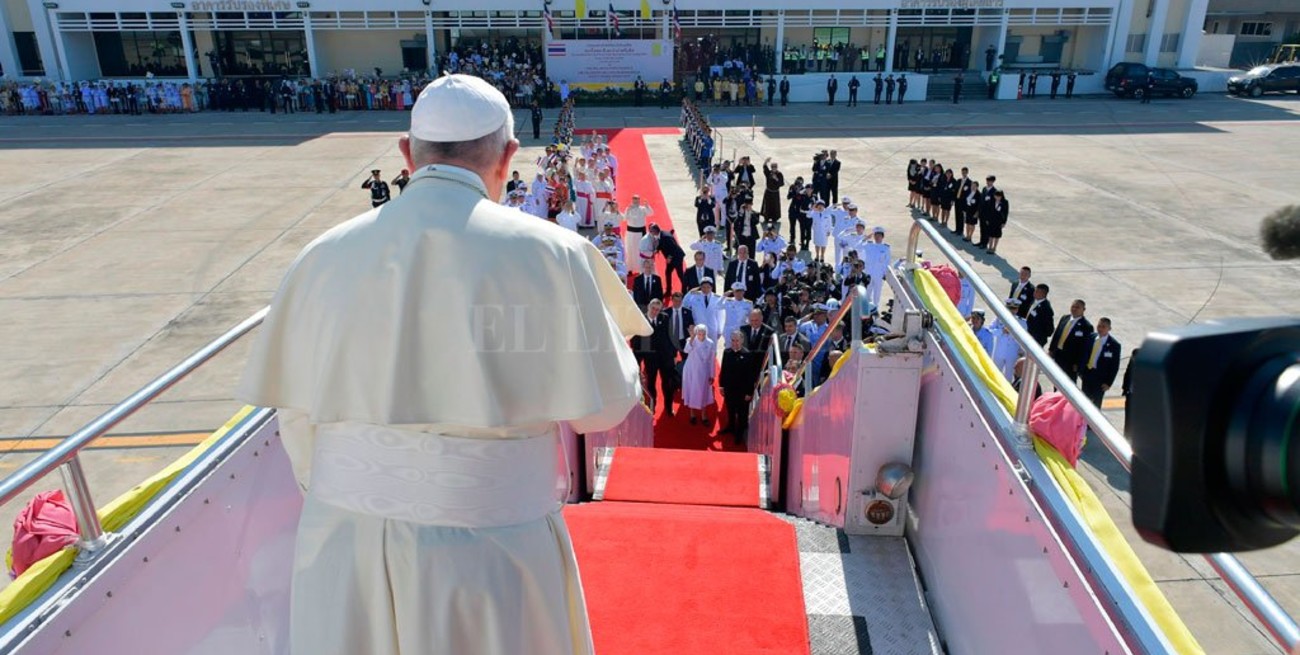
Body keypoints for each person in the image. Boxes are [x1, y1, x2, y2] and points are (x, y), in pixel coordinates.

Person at [238, 74, 650, 655]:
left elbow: (297, 417)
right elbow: (603, 410)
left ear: (407, 154)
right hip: (492, 547)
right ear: (508, 156)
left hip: (342, 542)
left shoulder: (321, 255)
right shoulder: (552, 253)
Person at [720, 331, 759, 442]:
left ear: (742, 341)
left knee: (742, 413)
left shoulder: (747, 354)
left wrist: (749, 392)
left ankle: (739, 433)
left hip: (742, 391)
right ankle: (730, 427)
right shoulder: (727, 352)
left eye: (737, 340)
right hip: (729, 388)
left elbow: (750, 375)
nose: (735, 343)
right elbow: (723, 370)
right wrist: (722, 386)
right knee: (730, 409)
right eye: (733, 340)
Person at [1079, 317, 1122, 408]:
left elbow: (1114, 366)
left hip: (1100, 379)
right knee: (1084, 402)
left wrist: (1108, 383)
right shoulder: (1091, 337)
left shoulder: (1114, 345)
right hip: (1087, 374)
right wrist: (1081, 371)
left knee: (1096, 404)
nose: (1100, 329)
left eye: (1103, 327)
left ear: (1109, 328)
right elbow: (1084, 354)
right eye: (1099, 326)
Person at [1049, 298, 1094, 383]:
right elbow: (1057, 334)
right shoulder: (1065, 318)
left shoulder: (1086, 326)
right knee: (1056, 379)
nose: (1074, 309)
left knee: (1068, 381)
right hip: (1058, 354)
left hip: (1071, 360)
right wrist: (1051, 350)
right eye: (1073, 306)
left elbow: (1085, 348)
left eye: (1077, 307)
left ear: (1083, 309)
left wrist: (1078, 364)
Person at [681, 325, 717, 425]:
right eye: (699, 334)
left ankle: (704, 415)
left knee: (703, 392)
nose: (701, 336)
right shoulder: (691, 340)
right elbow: (686, 350)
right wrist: (692, 338)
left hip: (704, 372)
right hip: (691, 371)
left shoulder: (710, 343)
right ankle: (692, 414)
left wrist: (712, 375)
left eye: (703, 334)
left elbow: (712, 360)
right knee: (692, 391)